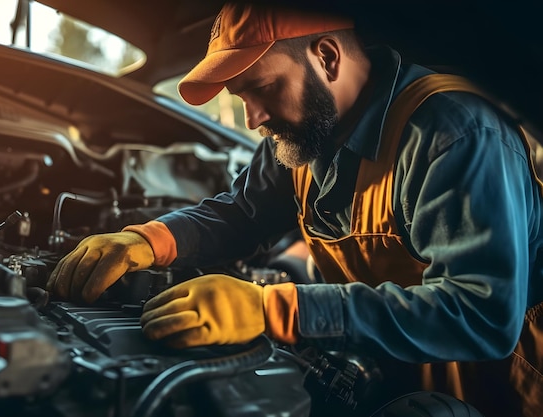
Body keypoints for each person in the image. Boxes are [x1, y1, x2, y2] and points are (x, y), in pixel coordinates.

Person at [46, 2, 543, 416]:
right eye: (242, 98)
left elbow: (480, 315)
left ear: (326, 57)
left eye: (261, 88)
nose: (254, 117)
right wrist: (147, 240)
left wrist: (272, 307)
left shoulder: (455, 136)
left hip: (504, 390)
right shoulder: (302, 137)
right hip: (396, 374)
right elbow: (242, 214)